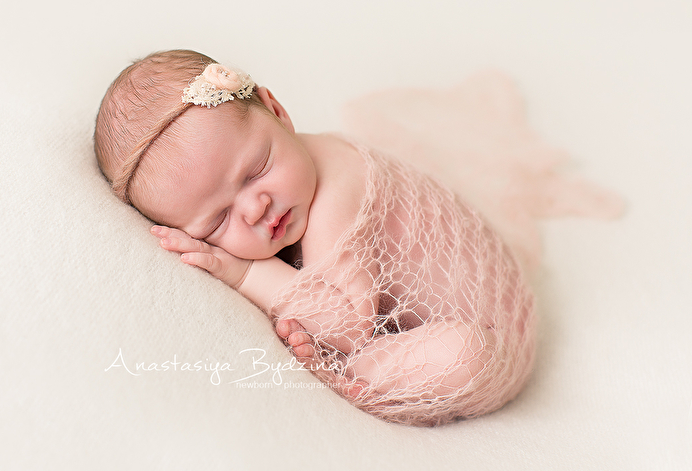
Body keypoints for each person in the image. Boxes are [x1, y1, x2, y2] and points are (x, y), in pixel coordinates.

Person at [94, 49, 535, 425]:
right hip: (436, 319)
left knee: (465, 355)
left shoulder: (335, 187)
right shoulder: (291, 179)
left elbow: (348, 327)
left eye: (257, 170)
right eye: (218, 221)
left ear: (278, 112)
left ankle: (354, 376)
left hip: (495, 340)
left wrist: (244, 272)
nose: (255, 207)